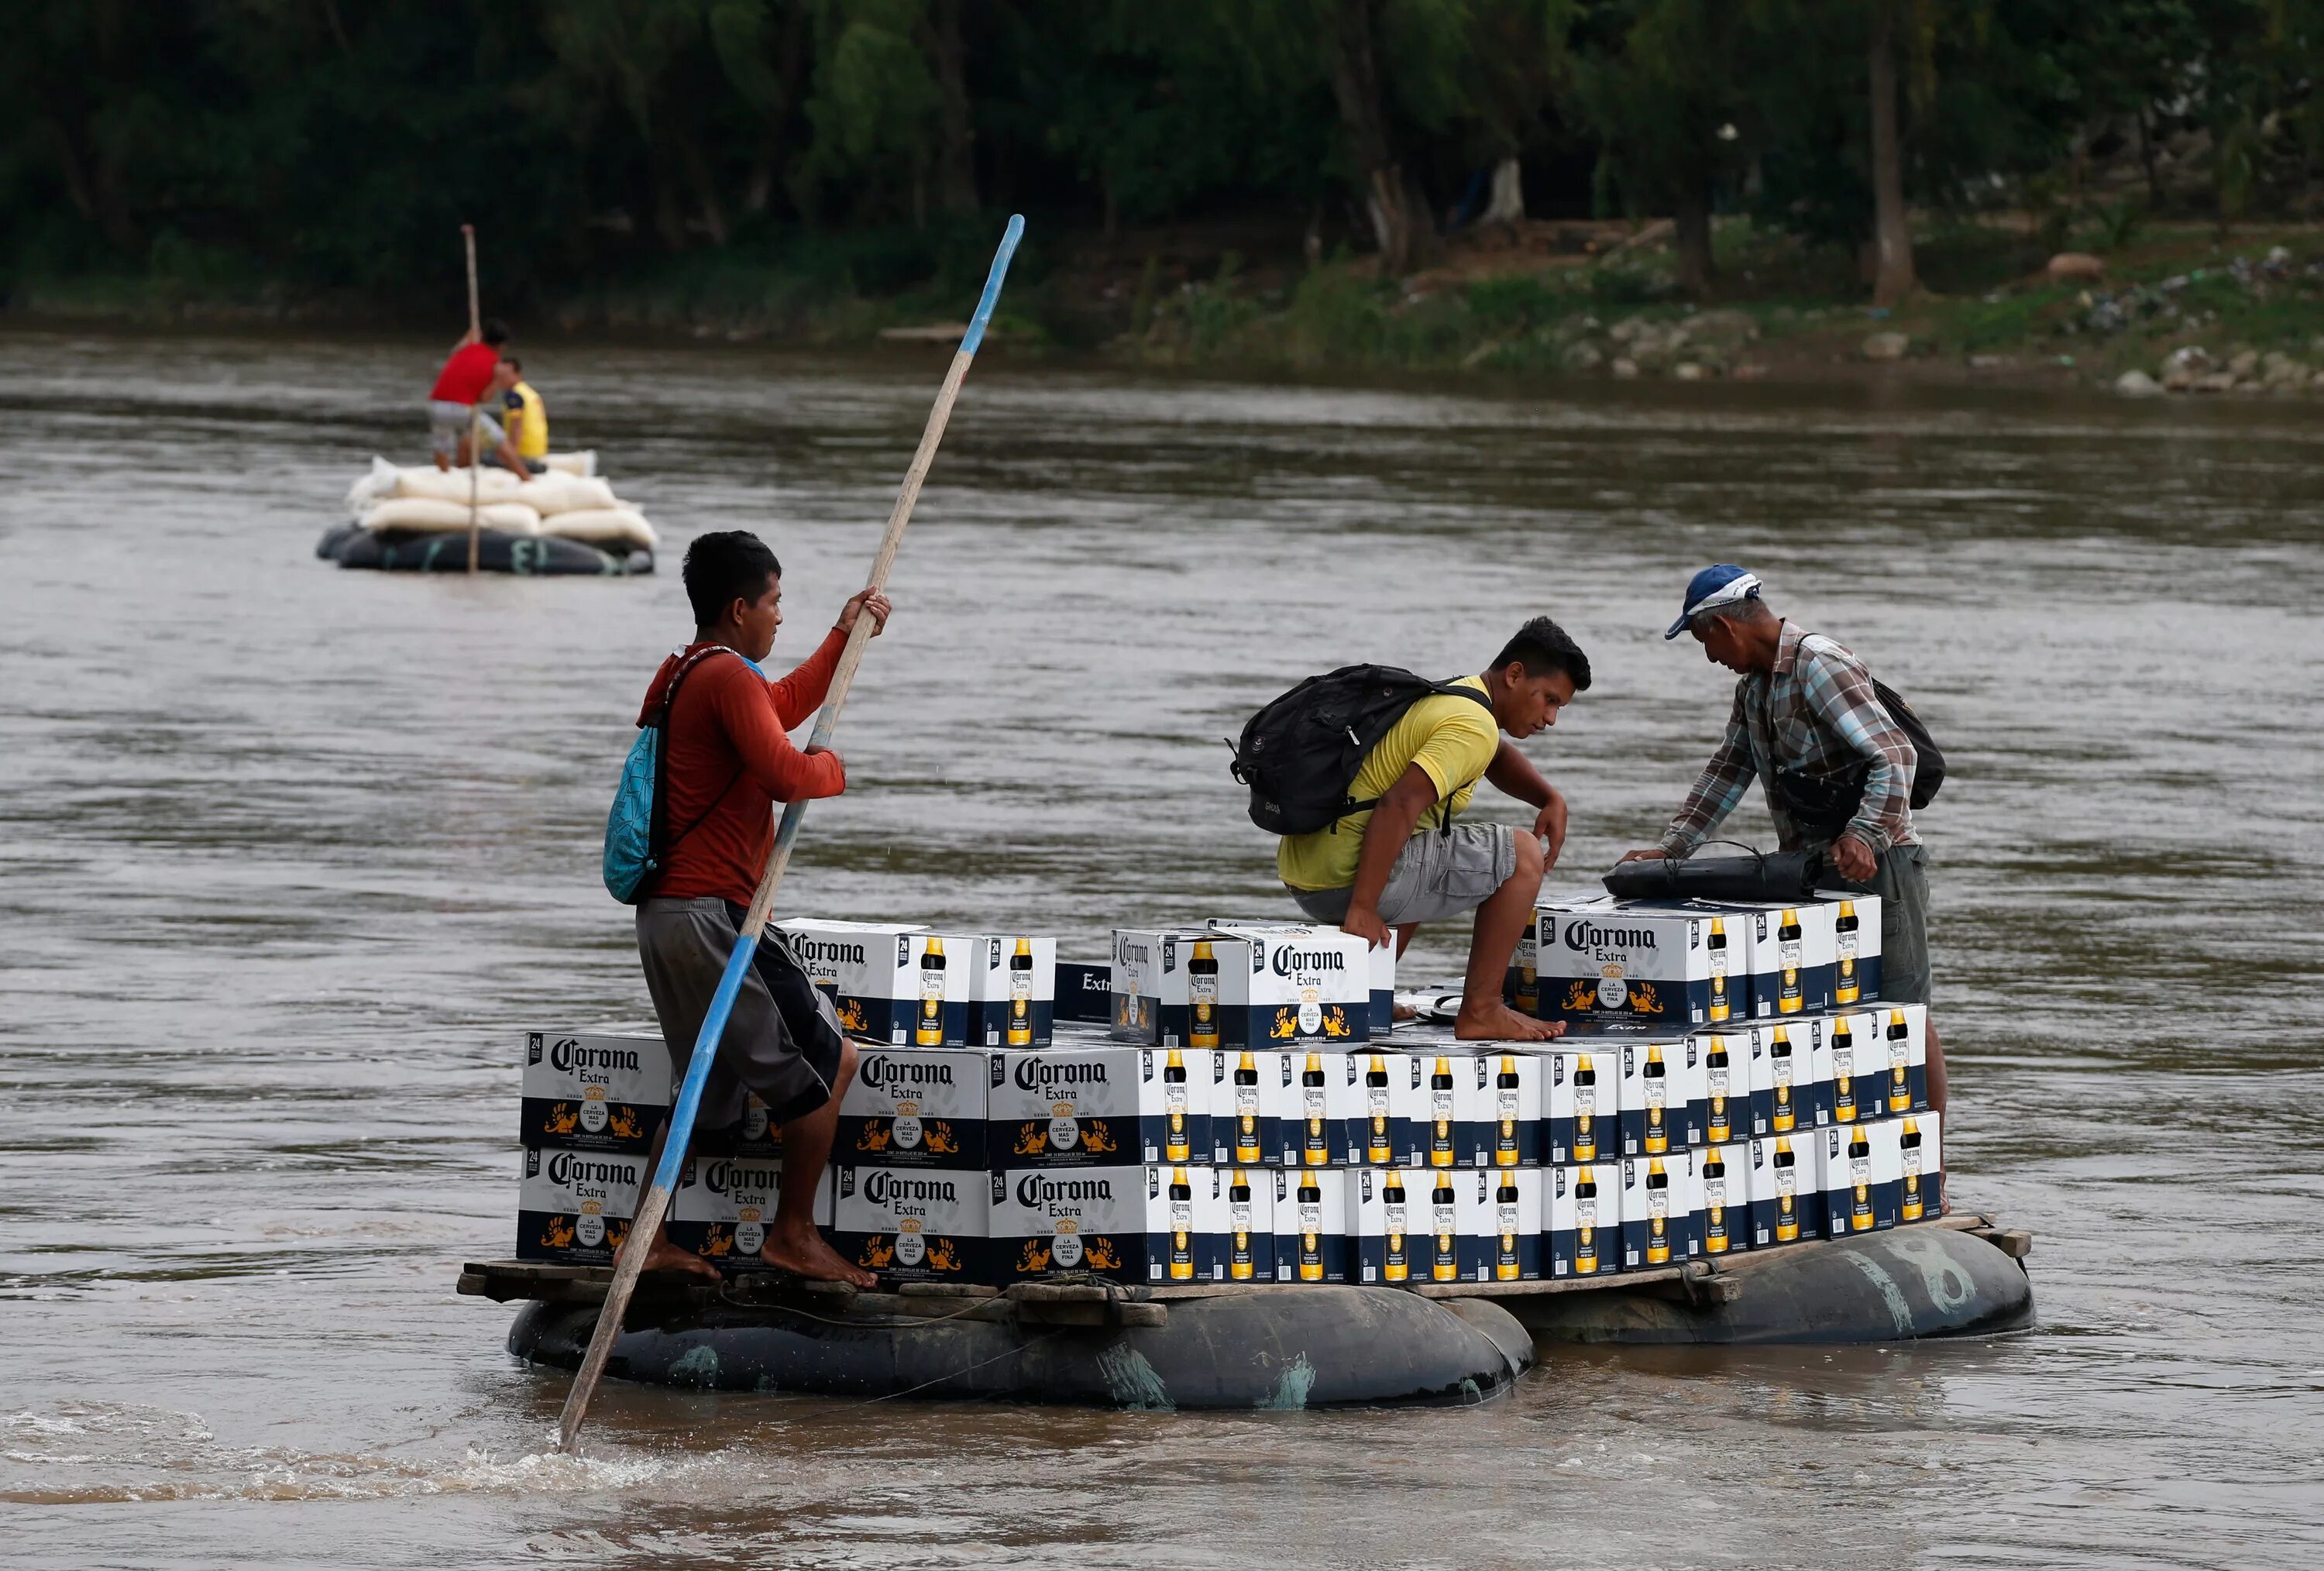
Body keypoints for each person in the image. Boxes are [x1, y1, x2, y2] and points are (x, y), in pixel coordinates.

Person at [629, 530, 892, 1285]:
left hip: (669, 916)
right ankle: (794, 1235)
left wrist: (845, 632)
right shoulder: (723, 678)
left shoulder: (688, 670)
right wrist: (833, 768)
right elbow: (785, 772)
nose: (780, 616)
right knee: (827, 1062)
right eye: (775, 602)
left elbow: (779, 705)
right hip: (714, 917)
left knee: (703, 1083)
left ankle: (645, 1238)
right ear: (740, 607)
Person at [1617, 565, 1946, 1116]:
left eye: (1704, 641)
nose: (1710, 658)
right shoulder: (1756, 688)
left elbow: (1895, 756)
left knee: (1902, 1013)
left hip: (1882, 863)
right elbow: (1729, 770)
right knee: (1825, 1009)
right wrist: (1671, 850)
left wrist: (1863, 834)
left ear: (1724, 626)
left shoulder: (1820, 665)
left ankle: (1930, 1164)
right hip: (1810, 867)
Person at [1278, 617, 1591, 1042]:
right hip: (1347, 885)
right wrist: (1364, 907)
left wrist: (1549, 798)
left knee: (1433, 848)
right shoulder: (1471, 725)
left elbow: (1495, 754)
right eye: (1549, 700)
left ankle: (1370, 994)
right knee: (1522, 855)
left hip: (1310, 873)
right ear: (1515, 675)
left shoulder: (1456, 696)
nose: (1551, 718)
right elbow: (1399, 803)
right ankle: (1482, 1010)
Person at [427, 318, 511, 473]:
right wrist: (497, 382)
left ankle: (444, 473)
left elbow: (453, 354)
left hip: (436, 404)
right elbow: (484, 399)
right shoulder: (495, 362)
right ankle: (526, 477)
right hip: (461, 409)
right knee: (497, 438)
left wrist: (467, 339)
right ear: (502, 346)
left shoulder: (467, 349)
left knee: (442, 443)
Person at [496, 356, 550, 474]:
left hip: (524, 453)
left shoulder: (513, 395)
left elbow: (516, 428)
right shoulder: (530, 392)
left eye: (506, 375)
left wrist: (511, 458)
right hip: (538, 451)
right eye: (499, 375)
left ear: (517, 374)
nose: (501, 379)